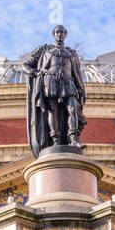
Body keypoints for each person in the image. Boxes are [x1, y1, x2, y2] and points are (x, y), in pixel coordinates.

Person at [22, 24, 87, 155]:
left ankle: (73, 139)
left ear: (65, 35)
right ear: (53, 34)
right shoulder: (44, 50)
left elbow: (77, 74)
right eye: (57, 32)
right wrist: (35, 73)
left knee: (73, 107)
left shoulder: (71, 54)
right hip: (50, 82)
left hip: (69, 83)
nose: (59, 34)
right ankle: (55, 140)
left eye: (62, 32)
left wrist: (81, 90)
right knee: (53, 111)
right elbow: (26, 65)